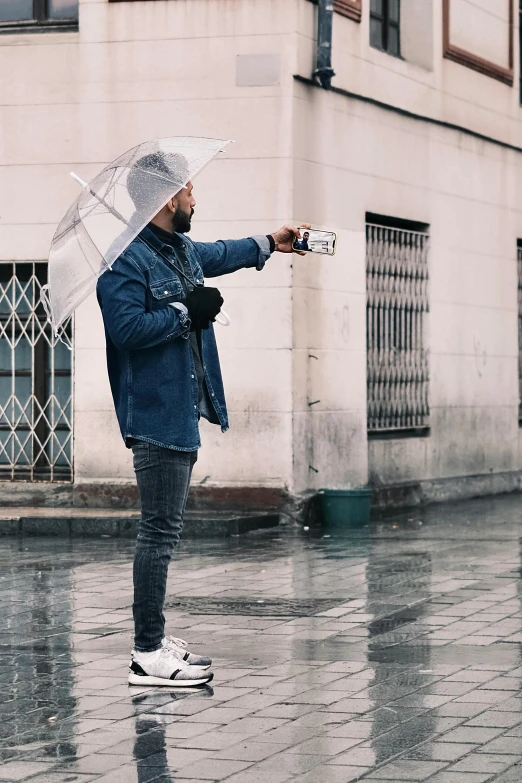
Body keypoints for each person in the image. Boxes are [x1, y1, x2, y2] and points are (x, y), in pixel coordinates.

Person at [97, 152, 308, 687]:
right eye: (190, 190)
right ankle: (147, 653)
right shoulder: (125, 260)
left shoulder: (177, 250)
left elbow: (220, 252)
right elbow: (127, 329)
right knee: (159, 532)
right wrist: (186, 313)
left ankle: (154, 638)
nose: (196, 198)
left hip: (183, 408)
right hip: (154, 413)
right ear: (169, 199)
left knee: (164, 530)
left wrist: (271, 242)